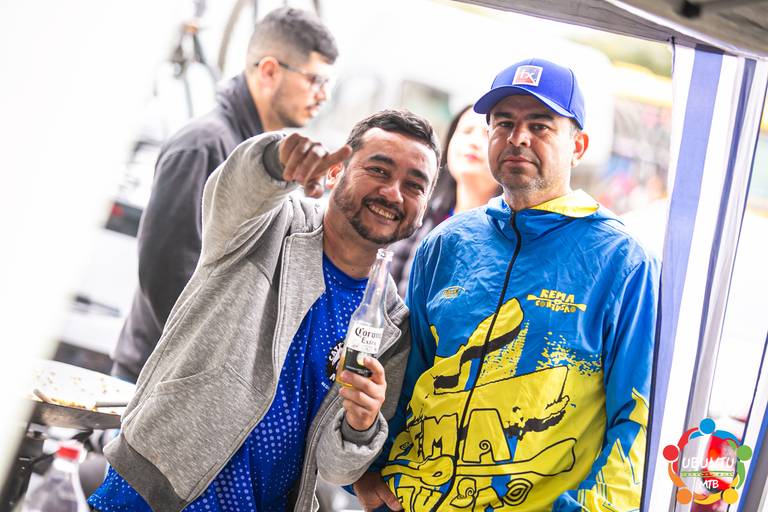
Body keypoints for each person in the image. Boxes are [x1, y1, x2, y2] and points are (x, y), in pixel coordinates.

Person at [87, 109, 441, 512]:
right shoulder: (267, 224)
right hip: (152, 493)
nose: (393, 193)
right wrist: (277, 158)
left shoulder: (391, 326)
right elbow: (239, 184)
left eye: (414, 185)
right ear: (335, 172)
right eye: (379, 170)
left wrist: (361, 425)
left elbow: (335, 468)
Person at [354, 58, 660, 511]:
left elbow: (636, 417)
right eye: (504, 123)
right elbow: (404, 375)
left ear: (578, 146)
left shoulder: (622, 262)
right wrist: (370, 469)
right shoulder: (447, 243)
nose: (518, 137)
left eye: (540, 125)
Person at [112, 7, 339, 383]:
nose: (324, 96)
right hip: (157, 382)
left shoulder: (262, 160)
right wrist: (216, 363)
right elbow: (165, 272)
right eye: (315, 80)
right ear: (269, 71)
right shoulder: (204, 145)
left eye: (328, 83)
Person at [389, 105, 500, 296]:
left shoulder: (509, 235)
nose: (473, 142)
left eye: (487, 134)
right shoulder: (419, 213)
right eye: (466, 131)